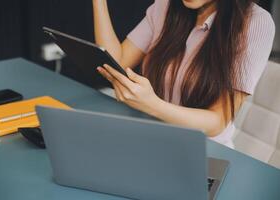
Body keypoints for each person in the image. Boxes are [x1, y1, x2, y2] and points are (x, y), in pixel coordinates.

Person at [92, 0, 275, 148]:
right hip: (153, 137)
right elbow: (119, 61)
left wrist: (152, 105)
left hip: (203, 150)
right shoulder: (165, 6)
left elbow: (218, 121)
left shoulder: (255, 22)